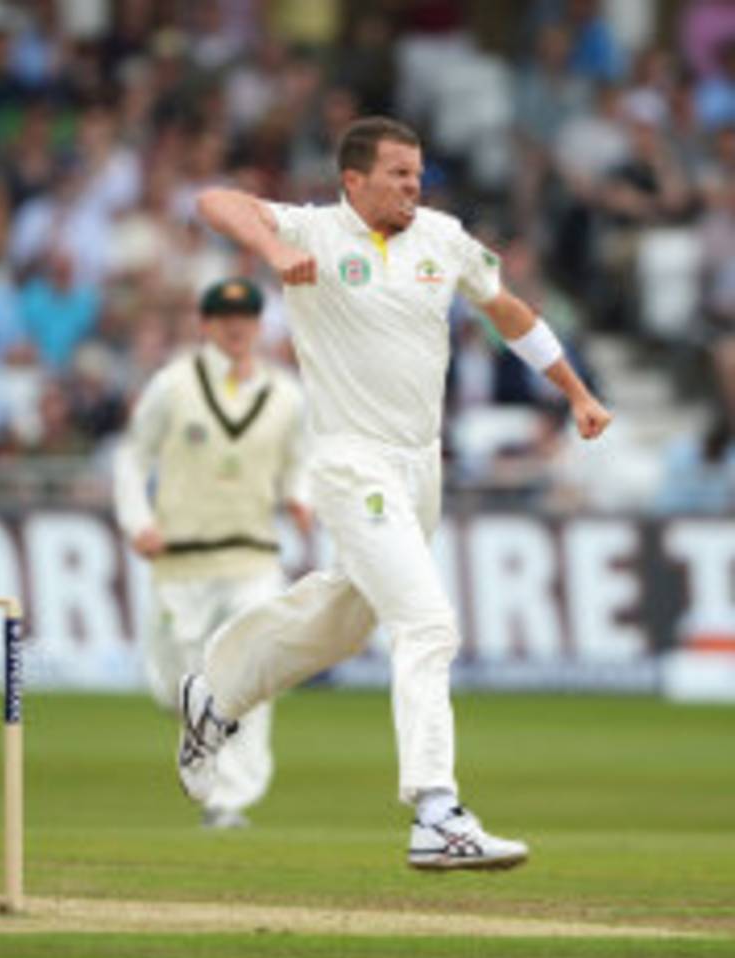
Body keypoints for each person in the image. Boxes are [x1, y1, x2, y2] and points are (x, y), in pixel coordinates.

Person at [178, 116, 612, 870]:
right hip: (353, 462)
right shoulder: (314, 229)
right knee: (427, 624)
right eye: (399, 174)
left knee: (345, 624)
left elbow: (507, 307)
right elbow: (217, 200)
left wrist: (574, 391)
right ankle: (436, 812)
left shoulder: (442, 237)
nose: (415, 186)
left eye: (418, 173)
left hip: (420, 468)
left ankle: (213, 699)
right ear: (355, 180)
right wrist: (276, 251)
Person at [114, 277, 312, 829]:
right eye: (225, 317)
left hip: (252, 557)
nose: (236, 327)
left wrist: (299, 497)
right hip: (181, 561)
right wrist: (138, 520)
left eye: (246, 316)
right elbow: (132, 458)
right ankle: (205, 750)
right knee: (175, 684)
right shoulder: (172, 386)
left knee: (249, 678)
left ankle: (230, 800)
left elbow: (301, 459)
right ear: (205, 325)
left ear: (259, 324)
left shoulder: (286, 395)